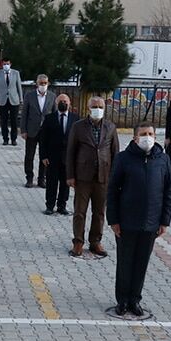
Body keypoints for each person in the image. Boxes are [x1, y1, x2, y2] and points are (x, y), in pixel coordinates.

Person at [108, 123, 171, 316]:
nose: (148, 137)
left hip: (151, 222)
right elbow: (112, 191)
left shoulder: (162, 160)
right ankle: (122, 300)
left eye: (151, 134)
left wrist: (164, 221)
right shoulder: (123, 158)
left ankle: (135, 299)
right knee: (125, 262)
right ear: (135, 138)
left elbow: (168, 192)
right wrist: (113, 220)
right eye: (143, 134)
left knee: (141, 263)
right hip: (127, 222)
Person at [66, 97, 119, 257]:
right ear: (88, 108)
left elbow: (115, 153)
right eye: (94, 106)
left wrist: (115, 178)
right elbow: (70, 152)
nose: (97, 109)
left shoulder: (110, 127)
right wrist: (70, 175)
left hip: (103, 177)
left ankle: (95, 241)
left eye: (100, 106)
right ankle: (78, 242)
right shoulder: (78, 126)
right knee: (79, 212)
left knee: (99, 212)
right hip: (83, 177)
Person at [39, 93, 77, 216]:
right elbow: (43, 138)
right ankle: (49, 206)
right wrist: (43, 156)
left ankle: (62, 206)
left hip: (68, 158)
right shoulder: (49, 118)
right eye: (61, 101)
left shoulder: (75, 119)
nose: (63, 103)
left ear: (70, 103)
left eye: (65, 101)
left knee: (65, 184)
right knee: (51, 182)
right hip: (52, 157)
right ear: (56, 103)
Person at [19, 74, 55, 188]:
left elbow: (54, 114)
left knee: (44, 156)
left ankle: (41, 178)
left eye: (45, 83)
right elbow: (24, 114)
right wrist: (23, 130)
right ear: (37, 84)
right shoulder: (29, 96)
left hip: (46, 131)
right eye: (41, 83)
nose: (43, 85)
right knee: (29, 155)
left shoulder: (52, 96)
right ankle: (29, 178)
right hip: (32, 130)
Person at [0, 59, 23, 146]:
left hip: (14, 100)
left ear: (10, 64)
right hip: (3, 100)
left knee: (14, 121)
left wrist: (21, 99)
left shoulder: (15, 73)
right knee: (4, 121)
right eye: (4, 64)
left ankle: (14, 139)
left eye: (8, 64)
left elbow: (19, 86)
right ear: (2, 64)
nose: (6, 65)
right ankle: (5, 138)